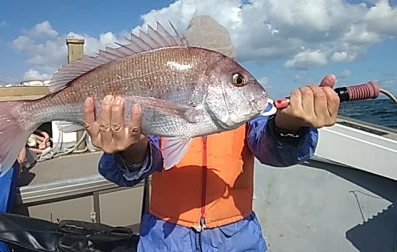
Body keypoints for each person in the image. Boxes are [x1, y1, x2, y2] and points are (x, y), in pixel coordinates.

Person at [82, 16, 340, 251]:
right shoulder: (160, 109)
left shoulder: (247, 115)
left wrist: (289, 125)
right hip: (164, 239)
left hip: (238, 240)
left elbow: (271, 149)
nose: (245, 87)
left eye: (234, 77)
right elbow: (121, 172)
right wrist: (130, 148)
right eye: (237, 80)